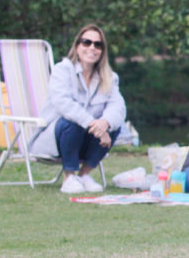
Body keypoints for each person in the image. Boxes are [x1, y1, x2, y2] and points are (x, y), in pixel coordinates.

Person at [29, 24, 127, 194]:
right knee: (72, 121)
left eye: (98, 44)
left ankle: (83, 175)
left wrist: (105, 123)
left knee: (113, 124)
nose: (92, 48)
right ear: (77, 46)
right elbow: (64, 104)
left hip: (86, 139)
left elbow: (118, 106)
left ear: (102, 51)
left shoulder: (109, 77)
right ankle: (69, 177)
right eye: (86, 42)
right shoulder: (62, 70)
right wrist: (94, 124)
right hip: (57, 138)